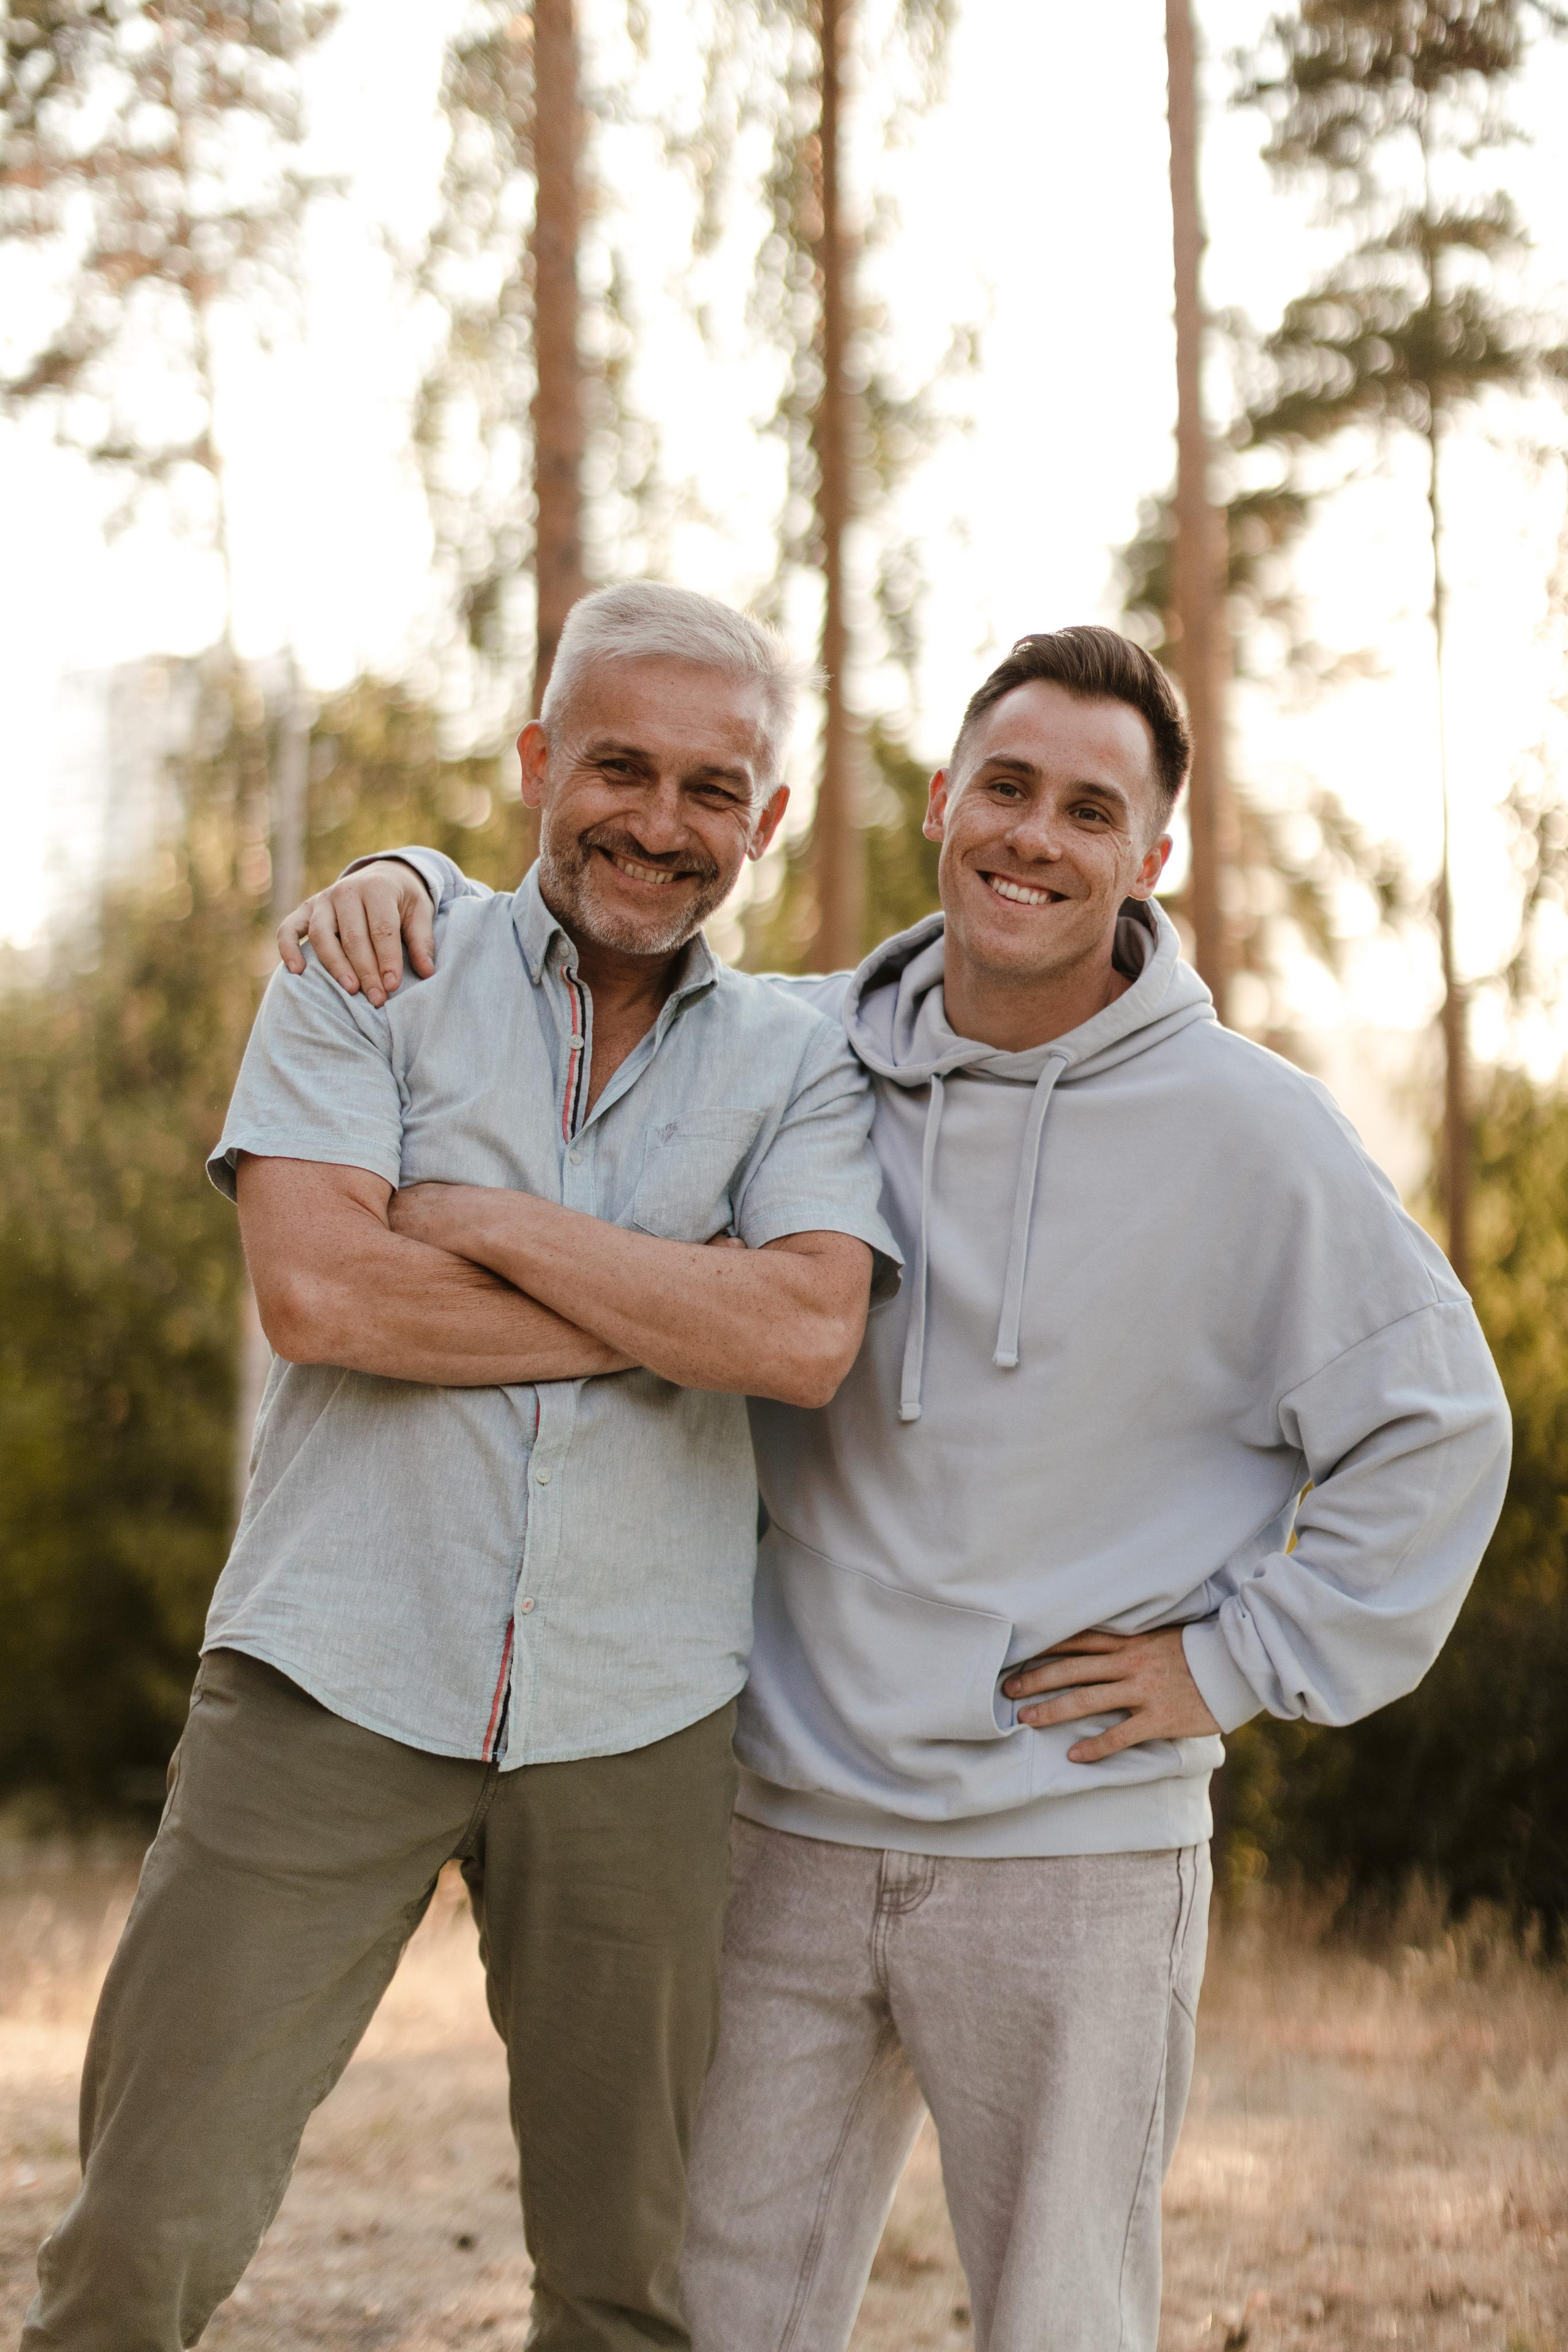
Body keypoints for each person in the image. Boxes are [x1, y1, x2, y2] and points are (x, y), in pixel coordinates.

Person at [282, 624, 1510, 2352]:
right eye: (1004, 787)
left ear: (1150, 860)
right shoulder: (794, 1054)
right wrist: (395, 876)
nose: (1034, 835)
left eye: (1092, 810)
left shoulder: (1257, 1136)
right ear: (943, 802)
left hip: (1071, 1852)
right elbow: (583, 940)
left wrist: (1236, 1663)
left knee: (1057, 2324)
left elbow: (1441, 1426)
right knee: (709, 2317)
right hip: (780, 1820)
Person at [21, 582, 900, 2352]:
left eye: (713, 788)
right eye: (619, 767)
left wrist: (489, 1225)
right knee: (141, 2235)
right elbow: (325, 1289)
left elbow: (806, 1342)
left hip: (636, 1716)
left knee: (632, 2286)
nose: (661, 822)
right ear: (533, 763)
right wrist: (674, 1305)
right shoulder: (374, 964)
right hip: (329, 1672)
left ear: (770, 815)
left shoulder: (805, 1061)